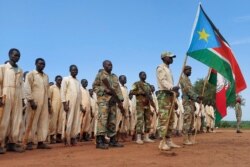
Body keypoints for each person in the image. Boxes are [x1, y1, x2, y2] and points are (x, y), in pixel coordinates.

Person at [92, 60, 124, 149]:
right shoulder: (100, 74)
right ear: (104, 66)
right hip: (103, 101)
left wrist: (120, 98)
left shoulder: (114, 77)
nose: (110, 66)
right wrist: (104, 90)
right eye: (108, 65)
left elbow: (117, 89)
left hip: (113, 101)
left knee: (113, 120)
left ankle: (112, 140)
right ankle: (100, 141)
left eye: (111, 64)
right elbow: (94, 86)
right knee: (103, 120)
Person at [0, 48, 25, 153]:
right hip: (6, 93)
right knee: (4, 119)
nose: (17, 57)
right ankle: (1, 143)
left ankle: (12, 143)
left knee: (16, 119)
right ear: (9, 55)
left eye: (18, 56)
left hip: (18, 95)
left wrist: (22, 99)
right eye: (15, 55)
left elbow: (22, 85)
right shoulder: (3, 67)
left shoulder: (20, 69)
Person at [24, 58, 51, 150]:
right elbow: (27, 87)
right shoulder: (31, 74)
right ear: (35, 64)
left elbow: (47, 90)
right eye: (40, 64)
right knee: (31, 121)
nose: (42, 65)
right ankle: (29, 142)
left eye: (43, 64)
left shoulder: (46, 76)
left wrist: (48, 103)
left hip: (44, 102)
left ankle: (41, 142)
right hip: (34, 101)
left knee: (43, 121)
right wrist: (31, 100)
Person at [156, 51, 181, 151]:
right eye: (170, 57)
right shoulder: (160, 68)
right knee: (164, 118)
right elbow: (163, 81)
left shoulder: (168, 69)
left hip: (170, 95)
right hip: (163, 94)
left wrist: (174, 95)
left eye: (172, 57)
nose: (172, 59)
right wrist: (172, 87)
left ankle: (168, 140)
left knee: (171, 119)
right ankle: (162, 142)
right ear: (164, 58)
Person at [130, 71, 156, 144]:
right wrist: (140, 92)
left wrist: (152, 105)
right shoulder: (136, 84)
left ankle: (146, 137)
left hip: (147, 105)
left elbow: (150, 95)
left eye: (145, 74)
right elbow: (131, 92)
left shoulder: (148, 85)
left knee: (148, 121)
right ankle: (138, 138)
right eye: (143, 74)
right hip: (140, 105)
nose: (144, 75)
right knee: (140, 121)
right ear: (139, 76)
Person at [61, 65, 83, 146]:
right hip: (69, 103)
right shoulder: (66, 79)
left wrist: (80, 104)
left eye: (76, 70)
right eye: (73, 70)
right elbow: (63, 92)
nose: (75, 71)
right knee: (68, 121)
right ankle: (66, 138)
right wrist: (64, 103)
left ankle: (73, 137)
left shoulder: (78, 81)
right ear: (70, 70)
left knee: (76, 121)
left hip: (77, 104)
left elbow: (79, 94)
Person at [180, 65, 201, 145]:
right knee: (187, 120)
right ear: (184, 71)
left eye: (191, 70)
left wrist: (196, 100)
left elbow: (191, 92)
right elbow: (188, 90)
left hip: (191, 102)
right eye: (189, 70)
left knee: (191, 121)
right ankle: (185, 139)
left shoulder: (188, 80)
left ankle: (189, 138)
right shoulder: (183, 79)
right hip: (187, 102)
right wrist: (197, 96)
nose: (190, 72)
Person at [49, 75, 63, 143]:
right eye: (58, 80)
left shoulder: (63, 88)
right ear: (55, 80)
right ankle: (51, 137)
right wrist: (49, 106)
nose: (60, 81)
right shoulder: (52, 87)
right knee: (53, 121)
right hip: (54, 105)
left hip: (62, 106)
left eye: (61, 80)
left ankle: (58, 137)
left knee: (60, 121)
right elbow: (49, 98)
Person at [117, 75, 130, 142]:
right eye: (124, 78)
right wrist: (121, 107)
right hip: (119, 108)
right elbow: (118, 98)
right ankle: (117, 137)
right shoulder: (118, 87)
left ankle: (122, 136)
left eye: (126, 78)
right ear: (120, 79)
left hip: (126, 108)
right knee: (118, 122)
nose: (125, 79)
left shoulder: (125, 88)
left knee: (124, 123)